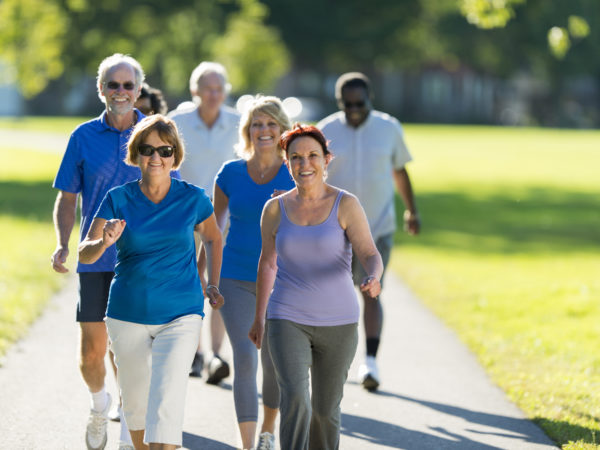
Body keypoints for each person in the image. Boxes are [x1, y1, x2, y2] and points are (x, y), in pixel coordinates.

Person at [78, 114, 224, 449]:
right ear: (135, 155)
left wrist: (210, 281)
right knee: (137, 407)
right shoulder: (118, 198)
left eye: (164, 149)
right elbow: (84, 253)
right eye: (147, 149)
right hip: (127, 313)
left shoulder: (194, 198)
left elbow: (214, 239)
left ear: (175, 156)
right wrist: (104, 242)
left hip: (181, 313)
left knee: (167, 399)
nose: (156, 157)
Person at [249, 123, 383, 449]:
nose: (304, 163)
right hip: (286, 317)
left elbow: (368, 252)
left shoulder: (346, 204)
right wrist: (259, 317)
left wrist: (374, 276)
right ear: (286, 163)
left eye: (312, 155)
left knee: (325, 411)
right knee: (295, 399)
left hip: (339, 322)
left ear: (327, 160)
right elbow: (268, 263)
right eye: (295, 157)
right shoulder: (274, 209)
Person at [51, 53, 147, 450]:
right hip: (95, 258)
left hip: (141, 261)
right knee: (93, 352)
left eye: (128, 85)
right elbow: (67, 197)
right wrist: (61, 243)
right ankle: (98, 405)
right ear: (101, 90)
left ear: (139, 90)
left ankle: (128, 424)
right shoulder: (82, 136)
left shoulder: (156, 134)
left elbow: (170, 197)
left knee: (133, 351)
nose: (120, 92)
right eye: (113, 84)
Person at [317, 72, 420, 392]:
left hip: (378, 227)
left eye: (359, 103)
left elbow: (400, 170)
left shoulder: (388, 128)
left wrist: (411, 211)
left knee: (371, 291)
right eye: (347, 105)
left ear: (370, 99)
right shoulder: (326, 130)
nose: (354, 110)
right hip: (334, 230)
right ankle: (331, 361)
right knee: (332, 296)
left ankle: (371, 361)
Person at [213, 95, 294, 449]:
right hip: (235, 277)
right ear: (248, 130)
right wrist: (208, 277)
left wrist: (292, 201)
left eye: (271, 124)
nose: (263, 130)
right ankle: (248, 445)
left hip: (282, 281)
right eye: (257, 124)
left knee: (273, 361)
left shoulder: (296, 171)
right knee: (245, 359)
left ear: (282, 130)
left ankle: (268, 431)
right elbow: (213, 230)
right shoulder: (229, 173)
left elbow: (318, 221)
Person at [169, 61, 240, 383]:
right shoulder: (177, 122)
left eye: (218, 89)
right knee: (190, 283)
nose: (214, 95)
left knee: (219, 283)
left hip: (226, 218)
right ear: (194, 91)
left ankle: (214, 354)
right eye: (207, 89)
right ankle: (194, 352)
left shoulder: (240, 123)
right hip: (185, 217)